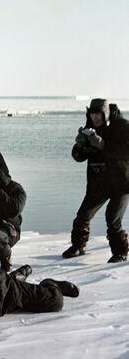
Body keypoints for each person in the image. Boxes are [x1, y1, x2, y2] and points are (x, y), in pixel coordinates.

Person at [62, 99, 129, 263]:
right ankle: (79, 246)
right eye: (92, 114)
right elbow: (78, 157)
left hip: (122, 183)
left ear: (105, 113)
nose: (95, 117)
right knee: (82, 216)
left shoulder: (123, 126)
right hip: (99, 182)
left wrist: (103, 145)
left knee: (112, 218)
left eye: (98, 114)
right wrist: (79, 147)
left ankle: (120, 253)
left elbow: (126, 153)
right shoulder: (89, 128)